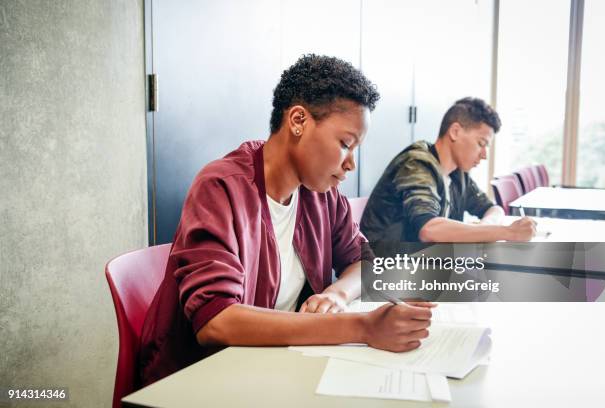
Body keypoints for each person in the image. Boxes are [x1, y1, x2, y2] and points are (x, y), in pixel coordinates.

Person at [139, 54, 434, 387]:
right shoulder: (221, 187)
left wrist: (337, 295)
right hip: (201, 380)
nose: (350, 163)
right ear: (298, 120)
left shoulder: (320, 192)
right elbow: (217, 321)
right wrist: (363, 328)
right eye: (345, 144)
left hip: (273, 368)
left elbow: (362, 263)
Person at [360, 97, 536, 243]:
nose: (484, 155)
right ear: (455, 131)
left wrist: (485, 226)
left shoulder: (458, 174)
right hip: (389, 273)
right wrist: (507, 232)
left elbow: (493, 208)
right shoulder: (417, 164)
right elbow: (429, 229)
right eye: (481, 143)